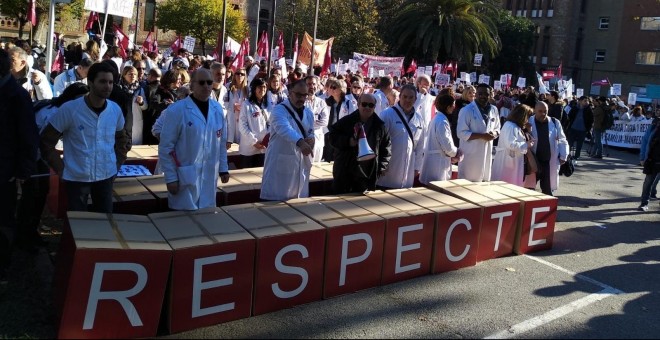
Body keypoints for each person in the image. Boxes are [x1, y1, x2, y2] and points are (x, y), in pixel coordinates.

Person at [40, 61, 129, 213]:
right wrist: (60, 169)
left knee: (105, 221)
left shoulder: (115, 110)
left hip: (106, 176)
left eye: (110, 82)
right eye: (102, 81)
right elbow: (46, 141)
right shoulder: (70, 109)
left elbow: (122, 140)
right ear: (90, 82)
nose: (107, 86)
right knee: (78, 224)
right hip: (77, 178)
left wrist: (117, 164)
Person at [16, 83, 90, 253]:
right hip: (30, 156)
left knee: (40, 193)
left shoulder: (53, 105)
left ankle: (29, 233)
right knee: (32, 196)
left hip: (36, 157)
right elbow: (44, 141)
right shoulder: (56, 112)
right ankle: (23, 237)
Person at [158, 68, 230, 211]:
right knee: (184, 222)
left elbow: (221, 142)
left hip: (209, 176)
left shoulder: (217, 109)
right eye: (201, 82)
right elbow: (166, 147)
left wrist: (223, 169)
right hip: (184, 176)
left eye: (209, 82)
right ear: (191, 86)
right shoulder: (177, 110)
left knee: (206, 219)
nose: (206, 86)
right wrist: (171, 178)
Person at [0, 48, 39, 281]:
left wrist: (23, 172)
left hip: (6, 171)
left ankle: (2, 267)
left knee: (3, 219)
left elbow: (28, 136)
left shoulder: (16, 96)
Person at [260, 80, 315, 201]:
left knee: (297, 204)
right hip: (280, 164)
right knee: (277, 204)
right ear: (290, 93)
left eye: (305, 95)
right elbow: (284, 128)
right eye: (298, 95)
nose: (301, 98)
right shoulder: (279, 110)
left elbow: (311, 131)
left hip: (300, 163)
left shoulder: (309, 113)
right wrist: (300, 142)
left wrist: (311, 139)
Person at [327, 93, 391, 194]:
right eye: (364, 104)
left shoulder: (380, 126)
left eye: (371, 105)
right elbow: (331, 137)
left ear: (374, 107)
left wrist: (381, 167)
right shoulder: (346, 121)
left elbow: (386, 148)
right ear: (358, 104)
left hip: (367, 174)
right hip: (345, 172)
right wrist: (348, 141)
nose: (367, 107)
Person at [376, 84, 426, 189]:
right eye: (405, 97)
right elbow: (378, 142)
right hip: (387, 172)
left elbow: (420, 146)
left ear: (415, 99)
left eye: (411, 97)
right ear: (400, 97)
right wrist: (380, 165)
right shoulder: (387, 115)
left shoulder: (419, 120)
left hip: (408, 174)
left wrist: (417, 167)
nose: (407, 100)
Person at [457, 83, 501, 182]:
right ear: (476, 94)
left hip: (487, 154)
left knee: (484, 183)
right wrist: (481, 136)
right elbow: (461, 133)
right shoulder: (466, 110)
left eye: (486, 94)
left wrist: (494, 134)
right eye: (480, 94)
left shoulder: (494, 110)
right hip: (471, 155)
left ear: (490, 95)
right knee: (468, 184)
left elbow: (498, 128)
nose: (483, 96)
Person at [523, 101, 569, 196]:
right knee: (528, 190)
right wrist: (527, 130)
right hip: (533, 162)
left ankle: (546, 209)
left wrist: (563, 155)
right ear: (534, 110)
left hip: (548, 162)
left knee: (547, 191)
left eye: (545, 111)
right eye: (540, 111)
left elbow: (562, 139)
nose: (543, 114)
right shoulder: (527, 122)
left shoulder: (554, 122)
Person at [419, 94, 463, 185]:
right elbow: (447, 146)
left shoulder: (438, 118)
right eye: (453, 105)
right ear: (448, 107)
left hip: (435, 161)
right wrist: (457, 153)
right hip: (437, 165)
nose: (454, 107)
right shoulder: (442, 121)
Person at [491, 104, 534, 187]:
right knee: (506, 185)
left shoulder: (514, 126)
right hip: (508, 162)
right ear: (522, 116)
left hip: (512, 162)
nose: (528, 120)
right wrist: (526, 145)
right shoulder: (510, 126)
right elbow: (511, 144)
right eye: (527, 117)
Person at [238, 78, 270, 168]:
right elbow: (242, 126)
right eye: (260, 87)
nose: (262, 89)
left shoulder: (267, 105)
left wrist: (266, 141)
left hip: (263, 149)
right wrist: (254, 142)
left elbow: (271, 124)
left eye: (264, 87)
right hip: (249, 149)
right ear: (254, 89)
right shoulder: (246, 105)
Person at [119, 65, 148, 145]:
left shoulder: (139, 89)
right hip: (123, 120)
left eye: (135, 74)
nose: (133, 76)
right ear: (124, 75)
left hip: (136, 121)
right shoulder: (119, 89)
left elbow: (145, 107)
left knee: (136, 145)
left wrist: (141, 102)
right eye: (130, 74)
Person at [638, 110, 660, 211]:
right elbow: (645, 140)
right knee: (648, 182)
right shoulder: (654, 124)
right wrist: (642, 157)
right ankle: (644, 203)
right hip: (653, 159)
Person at [304, 75, 329, 163]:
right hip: (305, 139)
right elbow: (300, 121)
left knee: (316, 165)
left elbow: (325, 121)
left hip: (318, 139)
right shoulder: (301, 102)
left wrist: (309, 123)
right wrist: (315, 122)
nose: (311, 86)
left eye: (314, 84)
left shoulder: (321, 102)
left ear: (317, 85)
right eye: (309, 84)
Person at [227, 67, 249, 148]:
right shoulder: (228, 87)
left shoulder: (248, 90)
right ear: (234, 75)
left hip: (243, 120)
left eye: (242, 74)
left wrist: (242, 107)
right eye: (237, 73)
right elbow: (224, 103)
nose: (240, 75)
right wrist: (232, 106)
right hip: (231, 119)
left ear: (245, 76)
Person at [566, 96, 593, 160]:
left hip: (582, 130)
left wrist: (588, 129)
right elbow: (569, 117)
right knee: (570, 143)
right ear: (580, 101)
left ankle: (577, 156)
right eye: (585, 101)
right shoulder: (575, 108)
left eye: (587, 101)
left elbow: (591, 120)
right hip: (573, 129)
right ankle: (567, 155)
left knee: (579, 145)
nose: (586, 102)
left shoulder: (589, 109)